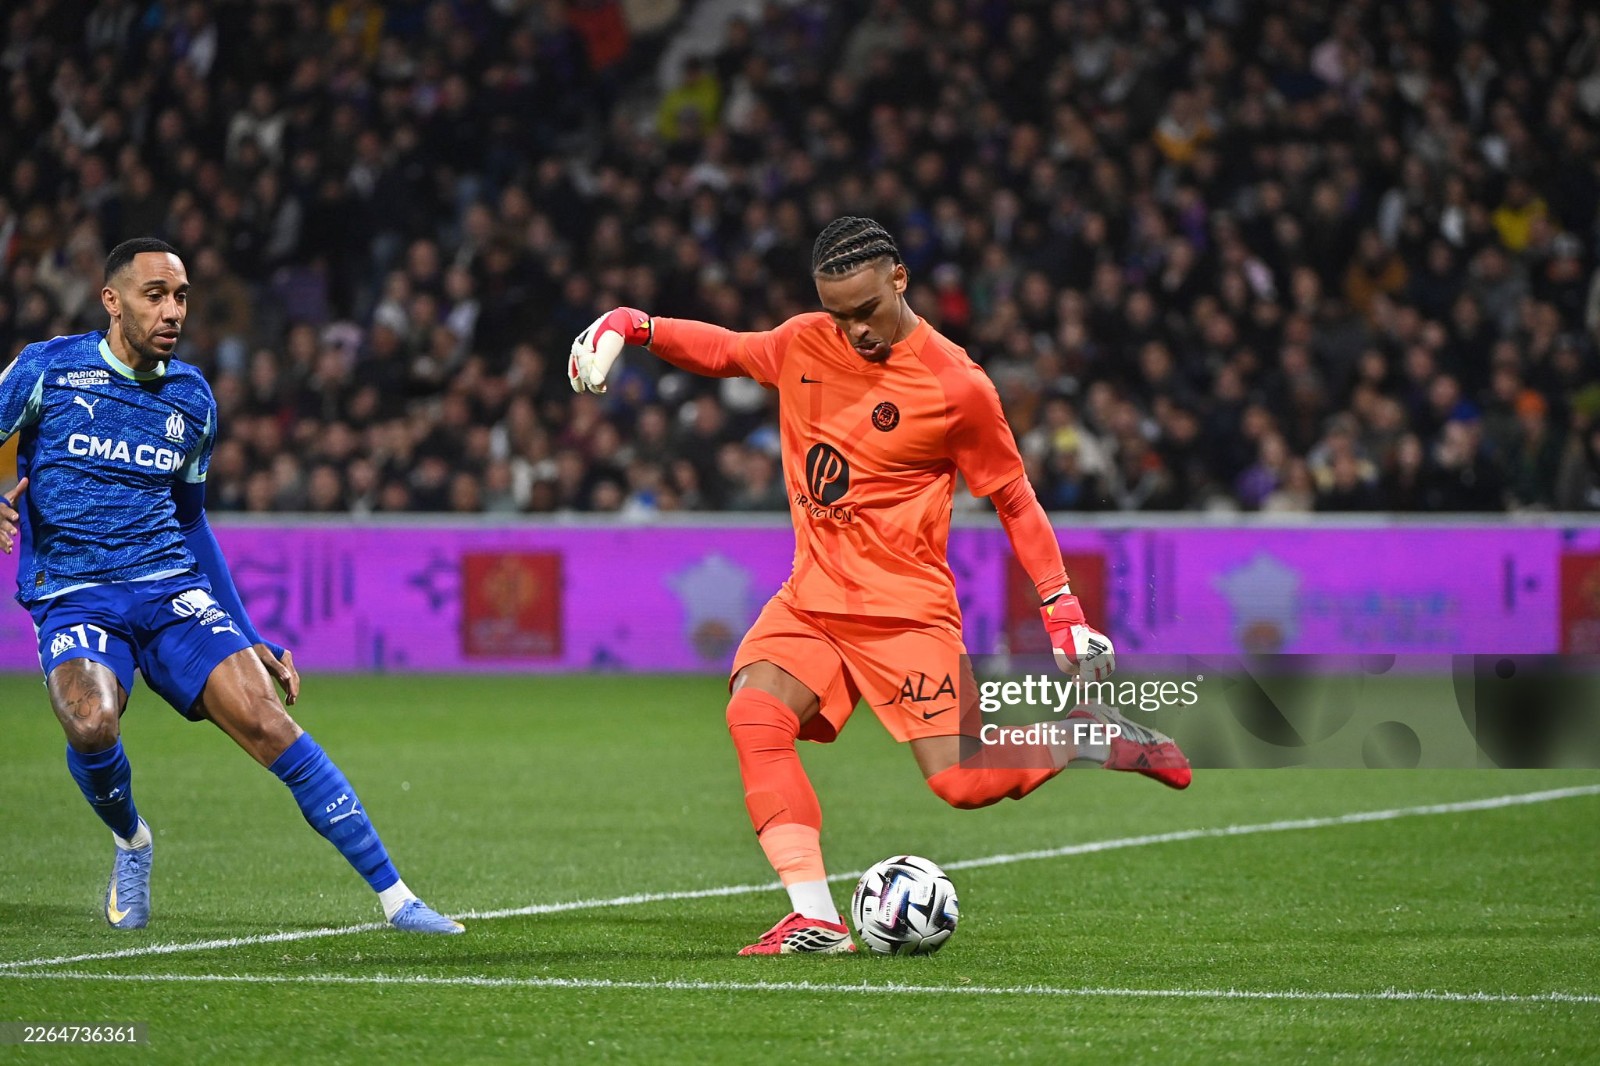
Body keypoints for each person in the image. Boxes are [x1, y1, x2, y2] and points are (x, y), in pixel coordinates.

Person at [569, 217, 1190, 955]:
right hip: (812, 599)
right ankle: (816, 918)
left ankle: (1088, 734)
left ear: (900, 278)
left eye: (865, 310)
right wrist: (633, 325)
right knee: (755, 715)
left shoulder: (957, 386)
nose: (854, 330)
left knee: (962, 781)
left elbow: (1015, 498)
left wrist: (1062, 608)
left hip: (904, 613)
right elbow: (726, 350)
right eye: (839, 314)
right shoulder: (805, 342)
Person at [0, 238, 462, 935]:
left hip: (169, 587)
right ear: (112, 301)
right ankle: (131, 839)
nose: (173, 311)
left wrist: (250, 636)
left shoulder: (191, 398)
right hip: (75, 591)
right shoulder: (48, 369)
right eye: (155, 295)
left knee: (269, 721)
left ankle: (399, 899)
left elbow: (191, 522)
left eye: (181, 296)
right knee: (92, 724)